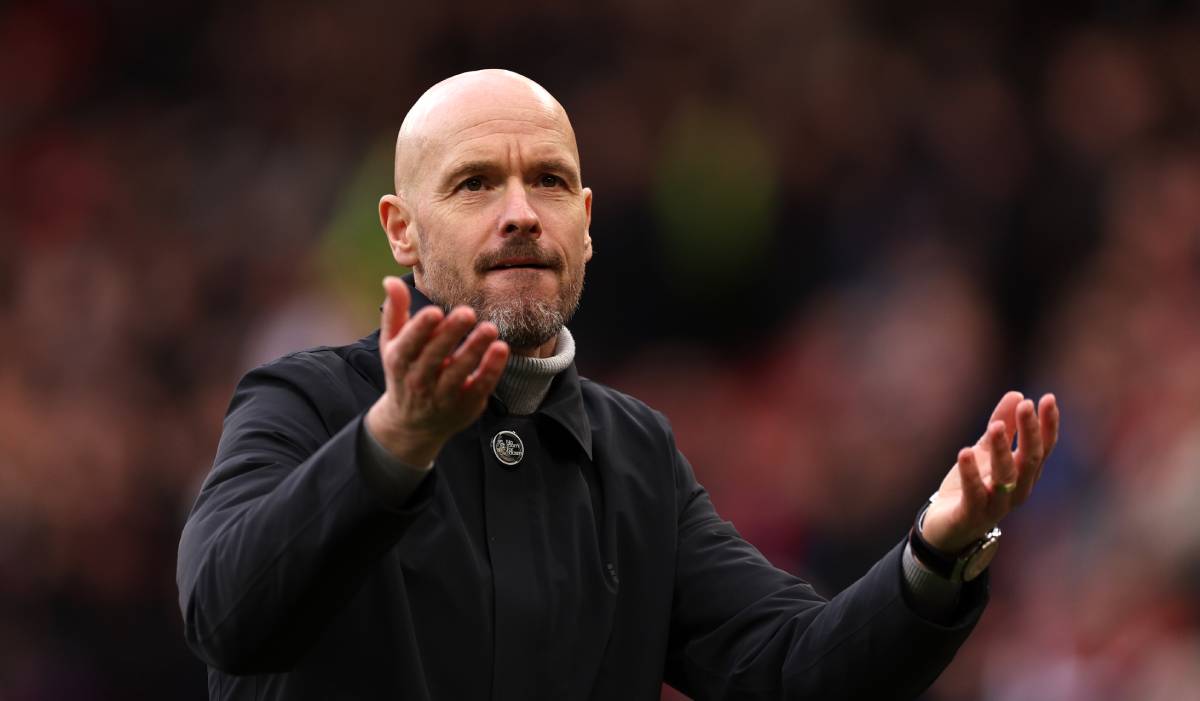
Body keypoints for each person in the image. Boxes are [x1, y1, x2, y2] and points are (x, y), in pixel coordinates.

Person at [177, 69, 1060, 700]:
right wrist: (394, 443)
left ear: (587, 222)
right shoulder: (302, 402)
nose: (520, 212)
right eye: (476, 183)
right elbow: (225, 615)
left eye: (549, 181)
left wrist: (938, 552)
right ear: (402, 230)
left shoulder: (636, 455)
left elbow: (793, 667)